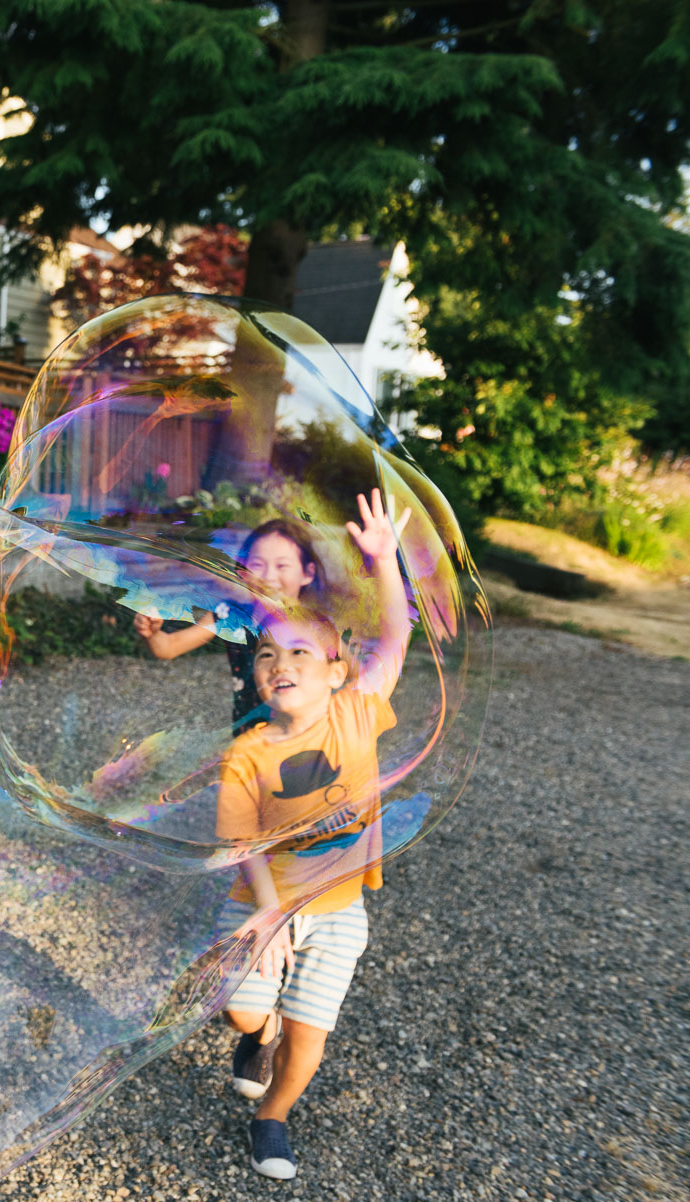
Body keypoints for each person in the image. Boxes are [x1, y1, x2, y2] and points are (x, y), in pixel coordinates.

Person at [212, 489, 413, 1181]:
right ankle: (254, 1034)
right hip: (262, 901)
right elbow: (243, 846)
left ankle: (273, 1116)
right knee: (243, 1014)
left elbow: (396, 635)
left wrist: (384, 560)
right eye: (268, 654)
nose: (281, 662)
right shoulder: (247, 754)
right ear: (259, 675)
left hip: (336, 908)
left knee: (309, 1033)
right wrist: (267, 914)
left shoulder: (359, 714)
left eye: (301, 650)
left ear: (336, 672)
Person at [133, 518, 330, 734]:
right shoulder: (231, 614)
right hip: (251, 739)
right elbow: (168, 648)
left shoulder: (316, 626)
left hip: (308, 737)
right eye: (257, 565)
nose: (269, 576)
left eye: (282, 565)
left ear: (307, 573)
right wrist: (152, 634)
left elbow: (353, 669)